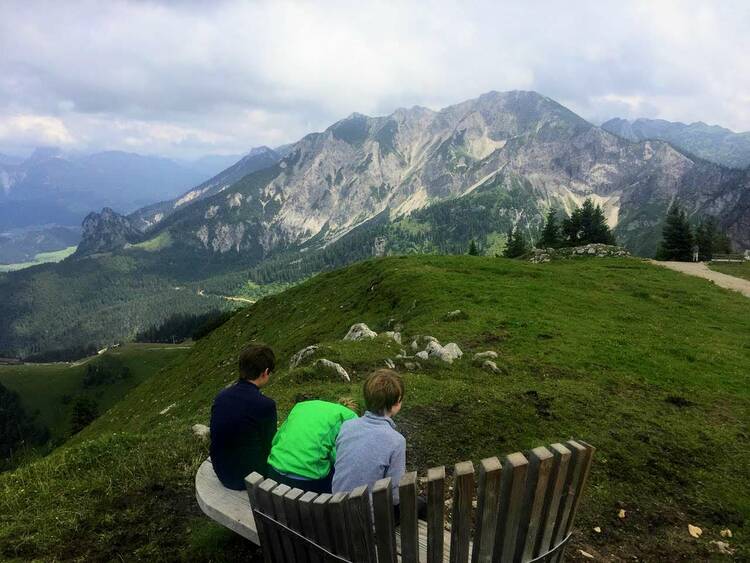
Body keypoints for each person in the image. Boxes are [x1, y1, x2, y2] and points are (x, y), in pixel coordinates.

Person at [332, 369, 426, 522]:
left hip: (339, 512)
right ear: (396, 404)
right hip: (369, 523)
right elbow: (395, 497)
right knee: (422, 503)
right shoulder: (397, 441)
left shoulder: (347, 426)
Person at [209, 344, 277, 490]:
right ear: (265, 372)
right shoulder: (266, 405)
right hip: (251, 478)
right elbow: (270, 446)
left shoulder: (221, 397)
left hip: (222, 472)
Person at [267, 396, 358, 493]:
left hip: (274, 472)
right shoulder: (348, 418)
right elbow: (340, 459)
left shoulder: (303, 407)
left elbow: (276, 439)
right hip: (307, 483)